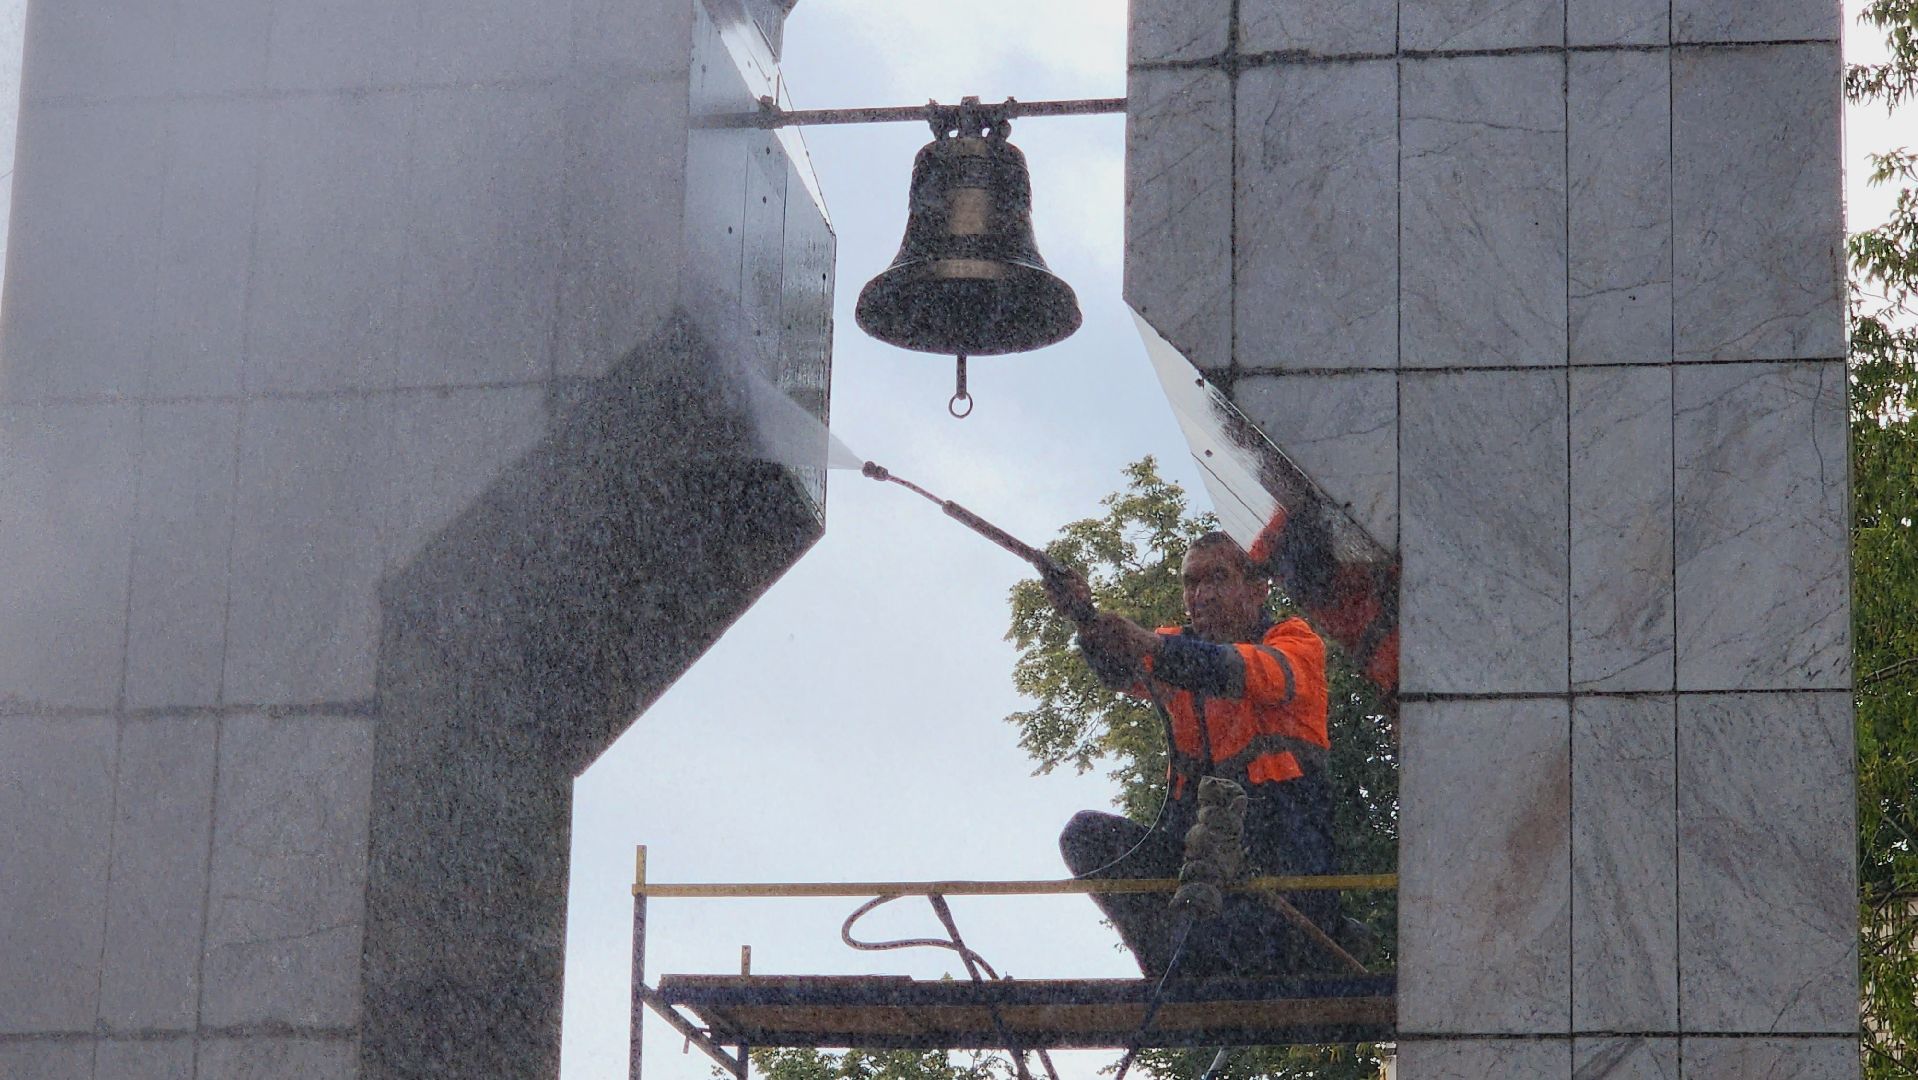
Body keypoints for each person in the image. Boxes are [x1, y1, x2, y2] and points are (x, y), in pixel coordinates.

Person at [1042, 530, 1337, 979]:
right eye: (1191, 583)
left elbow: (1235, 670)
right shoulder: (1172, 650)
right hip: (1203, 872)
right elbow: (1119, 664)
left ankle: (1189, 956)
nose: (1201, 595)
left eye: (1217, 578)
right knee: (1086, 836)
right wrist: (1082, 616)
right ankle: (1169, 963)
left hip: (1283, 879)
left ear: (1258, 589)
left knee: (1211, 925)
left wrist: (1150, 646)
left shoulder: (1295, 644)